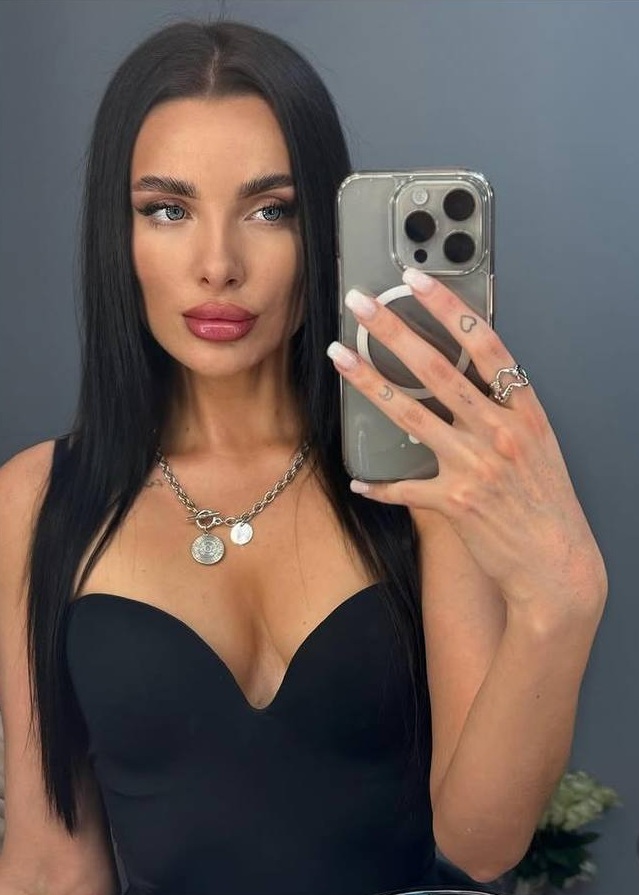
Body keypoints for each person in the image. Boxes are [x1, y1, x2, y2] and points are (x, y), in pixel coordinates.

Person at [0, 19, 607, 895]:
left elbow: (482, 843)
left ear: (323, 227)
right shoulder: (35, 501)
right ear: (116, 234)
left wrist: (565, 600)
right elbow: (52, 862)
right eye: (167, 209)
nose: (218, 264)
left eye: (269, 210)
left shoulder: (417, 476)